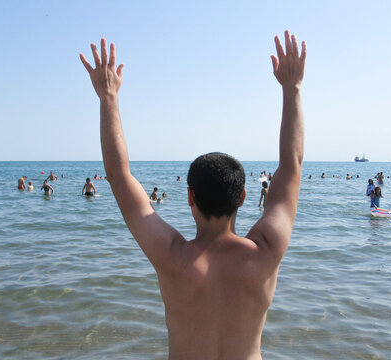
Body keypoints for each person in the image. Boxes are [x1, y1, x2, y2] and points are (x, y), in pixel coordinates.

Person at [80, 30, 306, 358]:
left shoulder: (172, 256)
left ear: (190, 197)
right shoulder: (265, 252)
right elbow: (292, 164)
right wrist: (292, 88)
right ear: (242, 197)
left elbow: (117, 175)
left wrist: (108, 98)